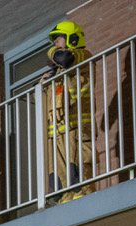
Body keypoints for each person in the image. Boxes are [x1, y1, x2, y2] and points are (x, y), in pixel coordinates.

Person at [40, 21, 94, 202]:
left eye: (59, 39)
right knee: (62, 173)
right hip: (58, 130)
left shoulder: (82, 55)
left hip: (76, 126)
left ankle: (82, 194)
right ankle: (66, 196)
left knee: (79, 167)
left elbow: (65, 58)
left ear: (72, 38)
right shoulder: (57, 71)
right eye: (54, 41)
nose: (55, 44)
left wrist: (52, 56)